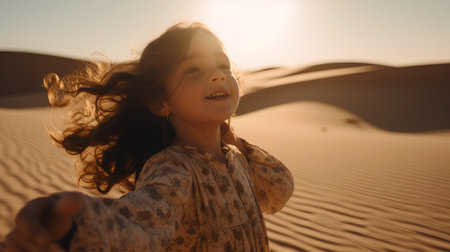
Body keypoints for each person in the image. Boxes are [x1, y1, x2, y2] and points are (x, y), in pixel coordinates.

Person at [5, 22, 294, 251]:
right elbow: (138, 226)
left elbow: (278, 192)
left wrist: (235, 142)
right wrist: (69, 222)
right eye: (194, 69)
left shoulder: (236, 157)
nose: (217, 75)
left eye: (223, 65)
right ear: (159, 102)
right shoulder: (175, 168)